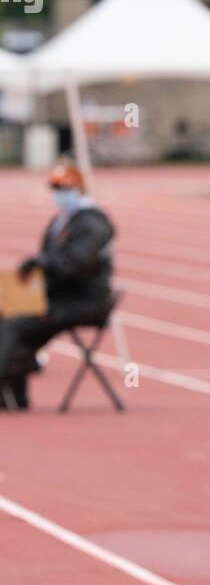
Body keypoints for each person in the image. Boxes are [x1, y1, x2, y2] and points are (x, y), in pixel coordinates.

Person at [0, 160, 114, 410]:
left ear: (80, 188)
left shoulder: (91, 223)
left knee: (15, 323)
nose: (59, 194)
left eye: (65, 188)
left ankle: (9, 378)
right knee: (7, 310)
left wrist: (41, 263)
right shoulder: (63, 220)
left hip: (85, 301)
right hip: (59, 297)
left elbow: (76, 264)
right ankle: (12, 391)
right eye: (56, 188)